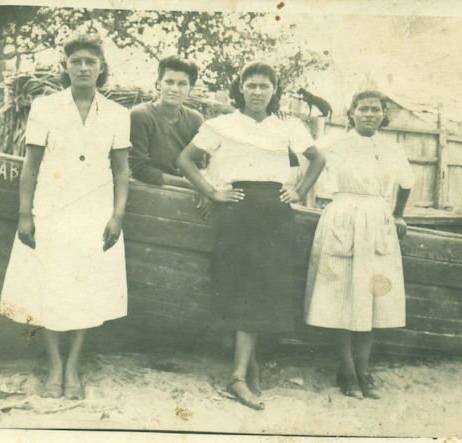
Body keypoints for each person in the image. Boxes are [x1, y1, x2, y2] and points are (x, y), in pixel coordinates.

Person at [177, 62, 325, 410]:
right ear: (239, 88)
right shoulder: (221, 125)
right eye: (251, 85)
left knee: (264, 289)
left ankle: (246, 369)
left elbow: (317, 159)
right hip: (237, 210)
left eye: (265, 86)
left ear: (275, 91)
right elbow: (185, 159)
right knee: (240, 287)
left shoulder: (288, 127)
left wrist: (301, 191)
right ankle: (240, 376)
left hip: (274, 214)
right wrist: (213, 191)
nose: (257, 92)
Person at [0, 33, 131, 400]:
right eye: (76, 61)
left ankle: (73, 365)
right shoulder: (45, 106)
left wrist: (117, 216)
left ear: (102, 68)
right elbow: (30, 167)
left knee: (85, 289)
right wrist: (25, 215)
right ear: (66, 67)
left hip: (96, 212)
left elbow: (122, 171)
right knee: (50, 287)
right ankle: (54, 364)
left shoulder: (118, 114)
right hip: (51, 209)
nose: (83, 67)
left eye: (91, 61)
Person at [305, 90, 414, 400]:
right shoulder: (333, 142)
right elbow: (304, 161)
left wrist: (398, 215)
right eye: (362, 109)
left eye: (375, 109)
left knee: (370, 298)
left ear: (383, 115)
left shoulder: (391, 148)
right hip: (342, 217)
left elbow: (407, 182)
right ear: (350, 112)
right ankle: (347, 370)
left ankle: (364, 370)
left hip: (378, 220)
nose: (369, 114)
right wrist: (301, 194)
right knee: (342, 296)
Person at [129, 55, 204, 188]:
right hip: (146, 190)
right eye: (169, 82)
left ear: (190, 89)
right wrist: (190, 184)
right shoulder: (141, 115)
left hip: (184, 193)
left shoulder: (195, 120)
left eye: (182, 84)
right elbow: (140, 169)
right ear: (158, 84)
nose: (174, 89)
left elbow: (198, 166)